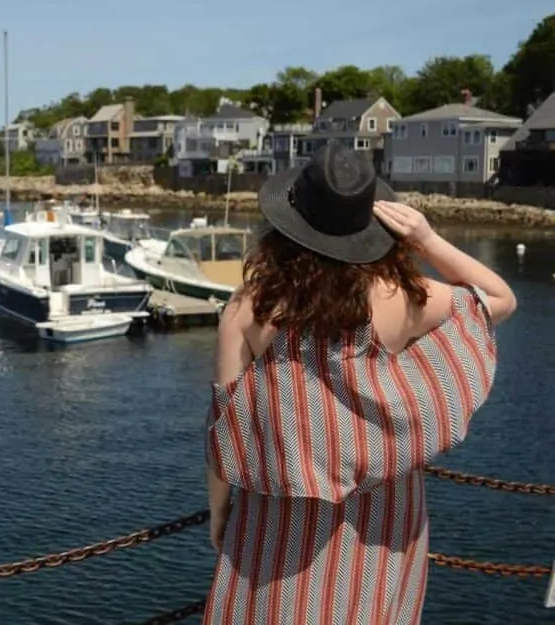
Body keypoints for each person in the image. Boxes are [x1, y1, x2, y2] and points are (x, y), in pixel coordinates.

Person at [204, 142, 516, 625]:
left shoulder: (251, 308)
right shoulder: (406, 299)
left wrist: (219, 511)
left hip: (282, 514)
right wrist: (427, 240)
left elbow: (224, 422)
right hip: (385, 511)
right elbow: (499, 298)